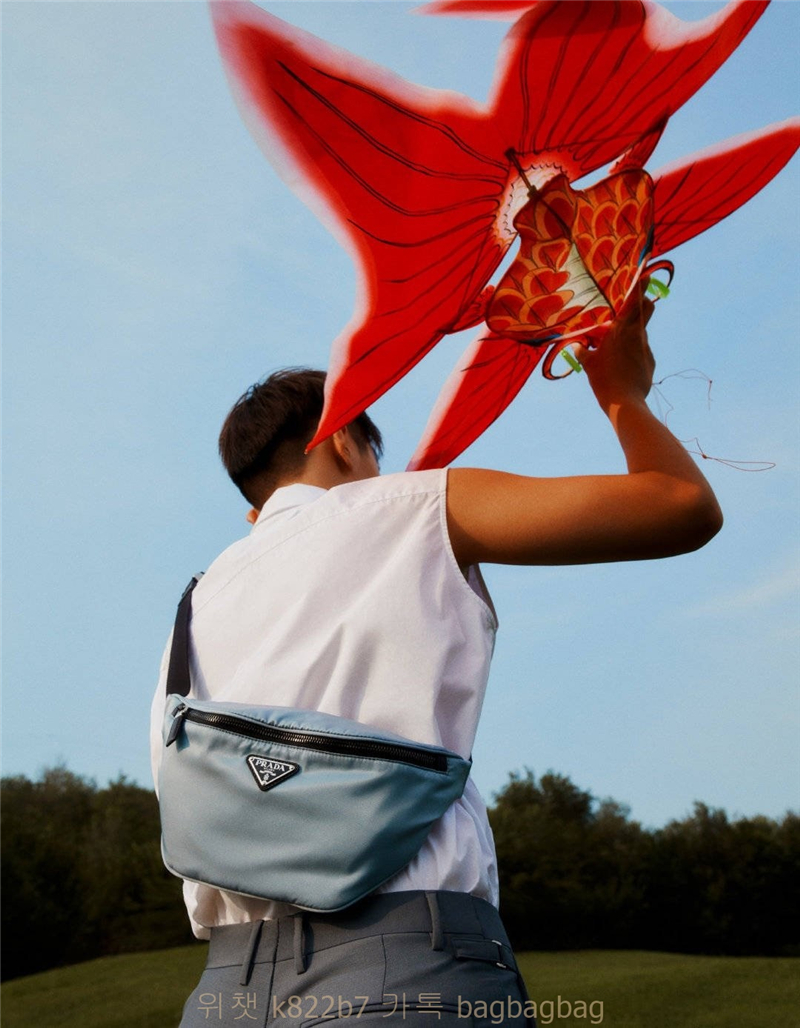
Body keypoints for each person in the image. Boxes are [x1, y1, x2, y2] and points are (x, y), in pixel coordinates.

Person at [150, 292, 722, 1026]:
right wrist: (623, 393)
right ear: (344, 440)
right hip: (399, 966)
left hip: (221, 995)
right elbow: (680, 505)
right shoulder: (416, 507)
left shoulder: (197, 600)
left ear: (253, 505)